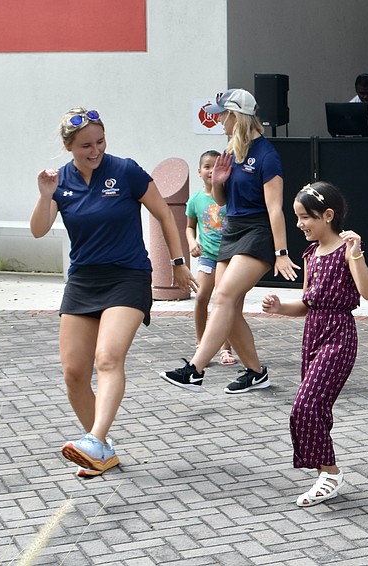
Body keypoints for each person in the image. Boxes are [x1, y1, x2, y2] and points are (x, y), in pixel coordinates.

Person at [30, 108, 196, 477]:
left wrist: (179, 262)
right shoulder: (60, 181)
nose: (96, 150)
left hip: (128, 276)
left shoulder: (126, 171)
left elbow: (164, 215)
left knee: (107, 358)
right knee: (74, 372)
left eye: (100, 141)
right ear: (68, 146)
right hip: (84, 280)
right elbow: (38, 230)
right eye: (86, 145)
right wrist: (45, 196)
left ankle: (95, 438)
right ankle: (100, 451)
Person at [160, 89, 299, 393]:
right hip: (232, 230)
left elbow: (275, 208)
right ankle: (256, 372)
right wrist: (219, 182)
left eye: (222, 114)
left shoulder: (266, 156)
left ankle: (195, 370)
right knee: (229, 307)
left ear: (236, 116)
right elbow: (224, 201)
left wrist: (281, 252)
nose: (218, 119)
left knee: (222, 297)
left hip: (256, 233)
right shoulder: (232, 151)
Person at [261, 182, 368, 507]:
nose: (299, 224)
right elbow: (308, 303)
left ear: (328, 215)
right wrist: (280, 308)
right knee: (313, 408)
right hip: (313, 333)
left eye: (305, 217)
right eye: (297, 217)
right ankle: (323, 472)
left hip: (339, 336)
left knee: (305, 407)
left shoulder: (347, 249)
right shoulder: (311, 254)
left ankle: (330, 472)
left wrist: (357, 253)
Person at [186, 149, 236, 366]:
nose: (211, 171)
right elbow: (189, 226)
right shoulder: (195, 199)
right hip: (207, 256)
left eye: (216, 166)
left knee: (224, 301)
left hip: (229, 257)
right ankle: (201, 343)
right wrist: (192, 242)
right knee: (201, 297)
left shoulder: (229, 196)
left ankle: (225, 348)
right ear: (199, 171)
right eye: (207, 166)